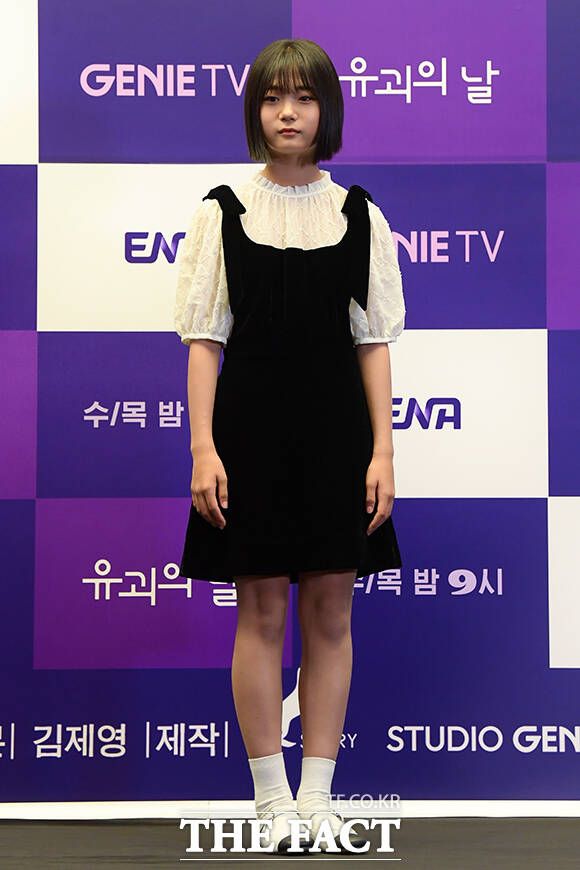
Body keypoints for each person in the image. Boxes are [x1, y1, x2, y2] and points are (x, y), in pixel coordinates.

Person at [174, 38, 405, 853]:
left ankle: (317, 799)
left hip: (339, 439)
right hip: (248, 438)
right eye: (274, 98)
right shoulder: (221, 211)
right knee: (262, 611)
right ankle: (271, 800)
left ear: (325, 110)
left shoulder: (361, 215)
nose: (288, 113)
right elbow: (204, 341)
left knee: (332, 615)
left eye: (304, 98)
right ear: (256, 111)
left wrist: (383, 452)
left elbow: (373, 345)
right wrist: (203, 449)